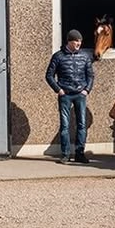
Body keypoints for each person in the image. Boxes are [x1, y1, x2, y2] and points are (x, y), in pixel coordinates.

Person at [45, 29, 94, 164]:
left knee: (81, 124)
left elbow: (90, 75)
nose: (79, 43)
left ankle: (80, 153)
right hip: (65, 94)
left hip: (80, 94)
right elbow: (49, 75)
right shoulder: (58, 56)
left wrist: (87, 90)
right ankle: (65, 154)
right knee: (65, 125)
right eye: (76, 41)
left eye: (80, 41)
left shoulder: (84, 56)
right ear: (69, 41)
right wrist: (58, 89)